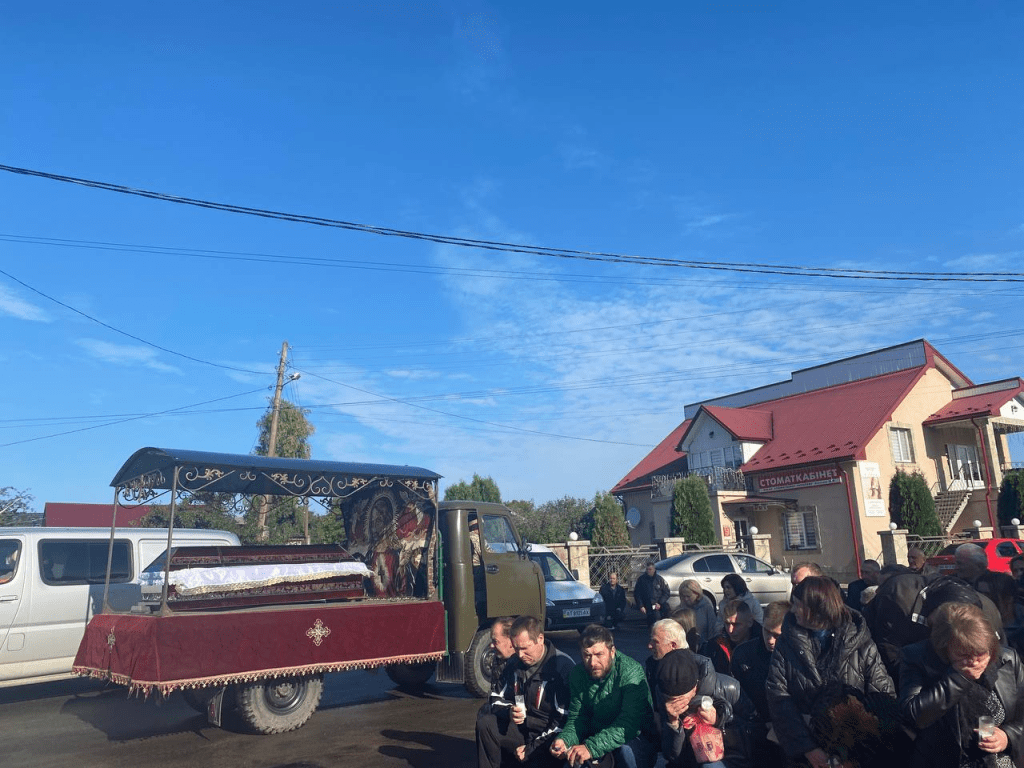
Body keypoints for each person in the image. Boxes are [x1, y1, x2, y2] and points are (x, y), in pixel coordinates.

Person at [766, 576, 895, 768]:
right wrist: (808, 749)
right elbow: (778, 697)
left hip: (855, 756)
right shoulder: (786, 643)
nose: (792, 610)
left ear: (817, 607)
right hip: (806, 756)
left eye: (798, 605)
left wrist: (855, 746)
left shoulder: (861, 642)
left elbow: (883, 694)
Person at [899, 601, 1024, 768]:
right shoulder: (918, 658)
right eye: (964, 654)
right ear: (944, 647)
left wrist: (1008, 737)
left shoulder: (1006, 660)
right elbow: (913, 716)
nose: (975, 661)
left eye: (981, 653)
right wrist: (958, 678)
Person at [550, 624, 658, 768]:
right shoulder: (578, 674)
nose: (593, 662)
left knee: (625, 753)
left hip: (634, 739)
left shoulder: (630, 671)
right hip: (595, 737)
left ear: (612, 651)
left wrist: (591, 747)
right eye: (587, 655)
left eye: (599, 654)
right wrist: (565, 740)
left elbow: (629, 723)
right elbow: (578, 717)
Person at [477, 615, 574, 768]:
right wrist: (509, 712)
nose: (520, 655)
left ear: (540, 639)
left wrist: (531, 749)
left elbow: (564, 721)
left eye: (524, 648)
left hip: (548, 737)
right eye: (516, 648)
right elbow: (496, 697)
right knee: (486, 723)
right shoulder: (514, 662)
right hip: (523, 729)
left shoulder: (562, 668)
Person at [656, 648, 753, 768]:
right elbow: (671, 756)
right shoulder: (664, 695)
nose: (675, 703)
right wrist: (673, 724)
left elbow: (754, 731)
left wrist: (718, 720)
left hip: (726, 758)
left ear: (694, 687)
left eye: (681, 698)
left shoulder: (728, 688)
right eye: (671, 699)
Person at [731, 601, 789, 768]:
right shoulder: (743, 654)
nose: (770, 640)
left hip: (788, 734)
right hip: (752, 734)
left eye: (777, 635)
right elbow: (736, 698)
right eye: (767, 632)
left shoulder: (798, 655)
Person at [703, 600, 760, 677]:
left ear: (749, 622)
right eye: (727, 624)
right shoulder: (714, 646)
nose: (730, 630)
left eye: (736, 624)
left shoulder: (762, 645)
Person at [484, 616, 517, 694]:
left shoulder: (523, 668)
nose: (491, 646)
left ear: (511, 641)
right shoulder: (498, 661)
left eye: (495, 641)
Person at [679, 580, 717, 645]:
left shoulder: (706, 606)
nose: (686, 599)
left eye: (688, 596)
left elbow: (712, 628)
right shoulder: (682, 605)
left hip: (704, 645)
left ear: (697, 594)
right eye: (683, 596)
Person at [635, 563, 671, 628]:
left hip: (659, 604)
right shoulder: (641, 580)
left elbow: (666, 592)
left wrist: (660, 603)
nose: (649, 571)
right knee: (651, 624)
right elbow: (637, 594)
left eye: (650, 569)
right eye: (647, 569)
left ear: (654, 570)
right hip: (648, 605)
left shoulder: (659, 579)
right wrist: (641, 606)